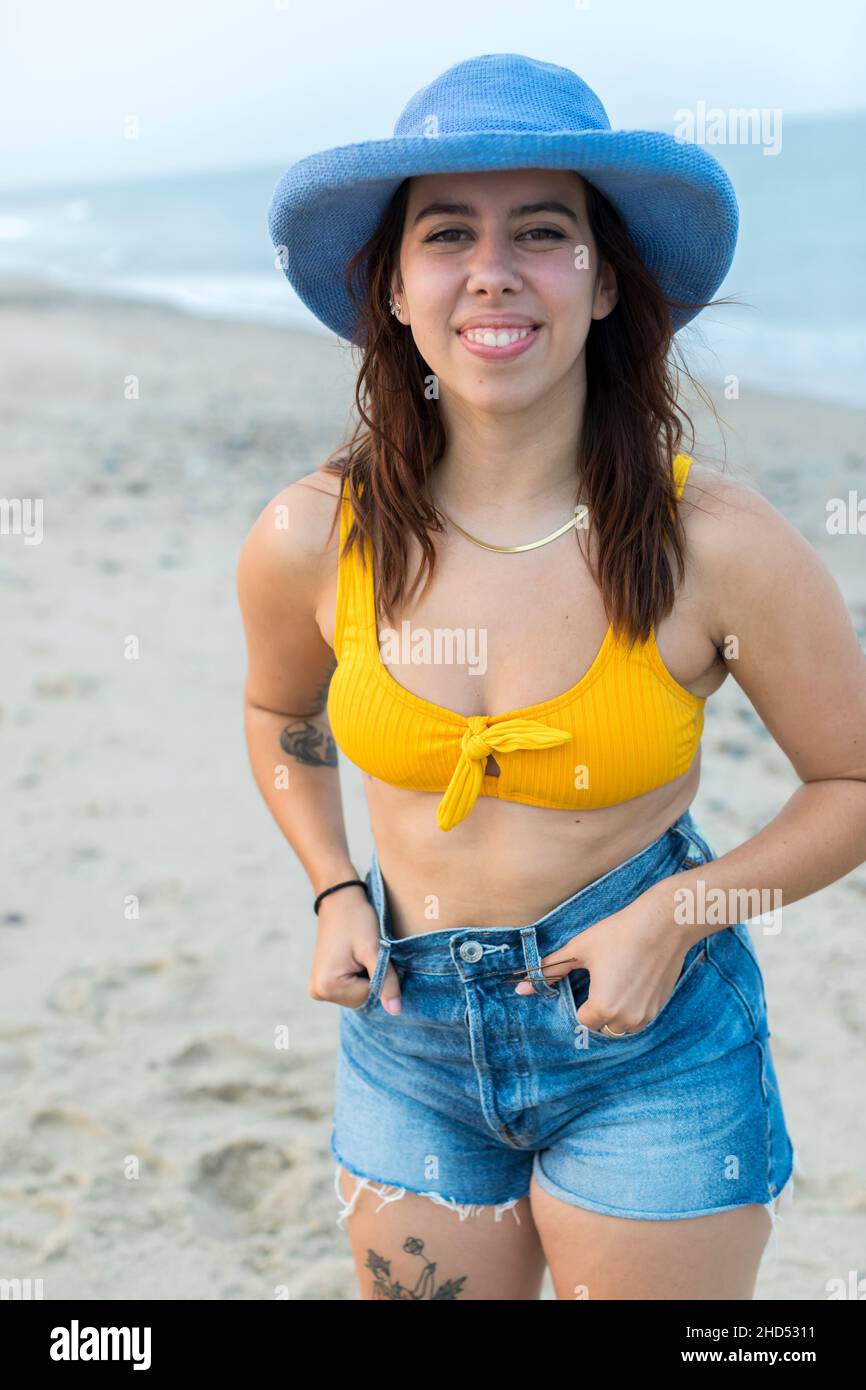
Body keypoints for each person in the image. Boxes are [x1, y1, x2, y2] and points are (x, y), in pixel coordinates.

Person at [237, 54, 865, 1300]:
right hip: (406, 1042)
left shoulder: (717, 545)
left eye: (541, 231)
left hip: (654, 1051)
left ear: (604, 278)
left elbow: (848, 779)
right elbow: (278, 711)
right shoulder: (311, 535)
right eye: (446, 233)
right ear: (395, 288)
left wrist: (678, 916)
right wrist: (328, 888)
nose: (491, 269)